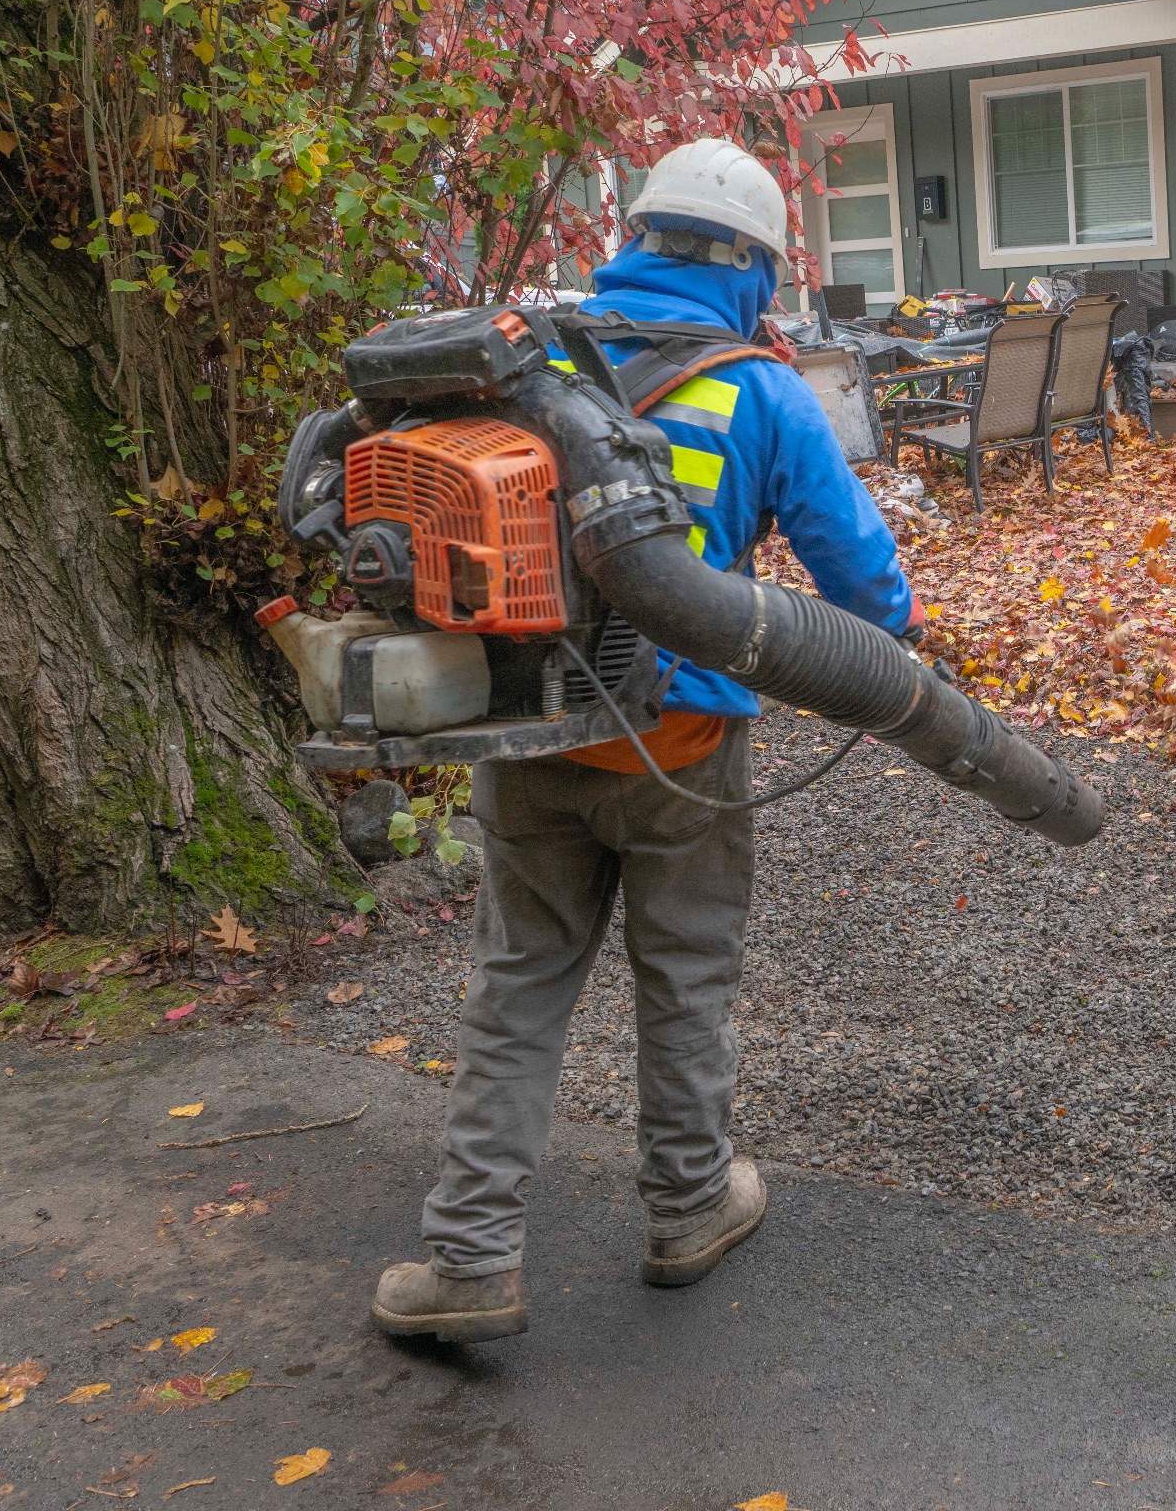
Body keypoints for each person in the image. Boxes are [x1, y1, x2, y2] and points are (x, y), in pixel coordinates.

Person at [371, 138, 920, 1343]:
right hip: (680, 746)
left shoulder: (517, 372)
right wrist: (889, 650)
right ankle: (687, 1208)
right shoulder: (761, 390)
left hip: (524, 732)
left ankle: (468, 1256)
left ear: (636, 238)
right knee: (685, 981)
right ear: (749, 268)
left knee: (518, 986)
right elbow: (866, 591)